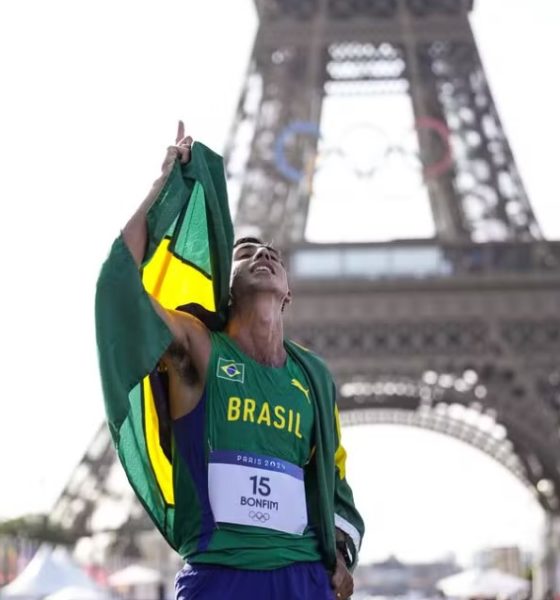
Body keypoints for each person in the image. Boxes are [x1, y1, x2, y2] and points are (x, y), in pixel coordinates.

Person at [97, 122, 364, 599]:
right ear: (226, 285)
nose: (262, 253)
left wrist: (341, 551)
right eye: (245, 253)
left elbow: (333, 475)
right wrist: (163, 191)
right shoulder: (198, 348)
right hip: (221, 574)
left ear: (287, 294)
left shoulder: (314, 377)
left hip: (302, 575)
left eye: (273, 255)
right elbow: (122, 285)